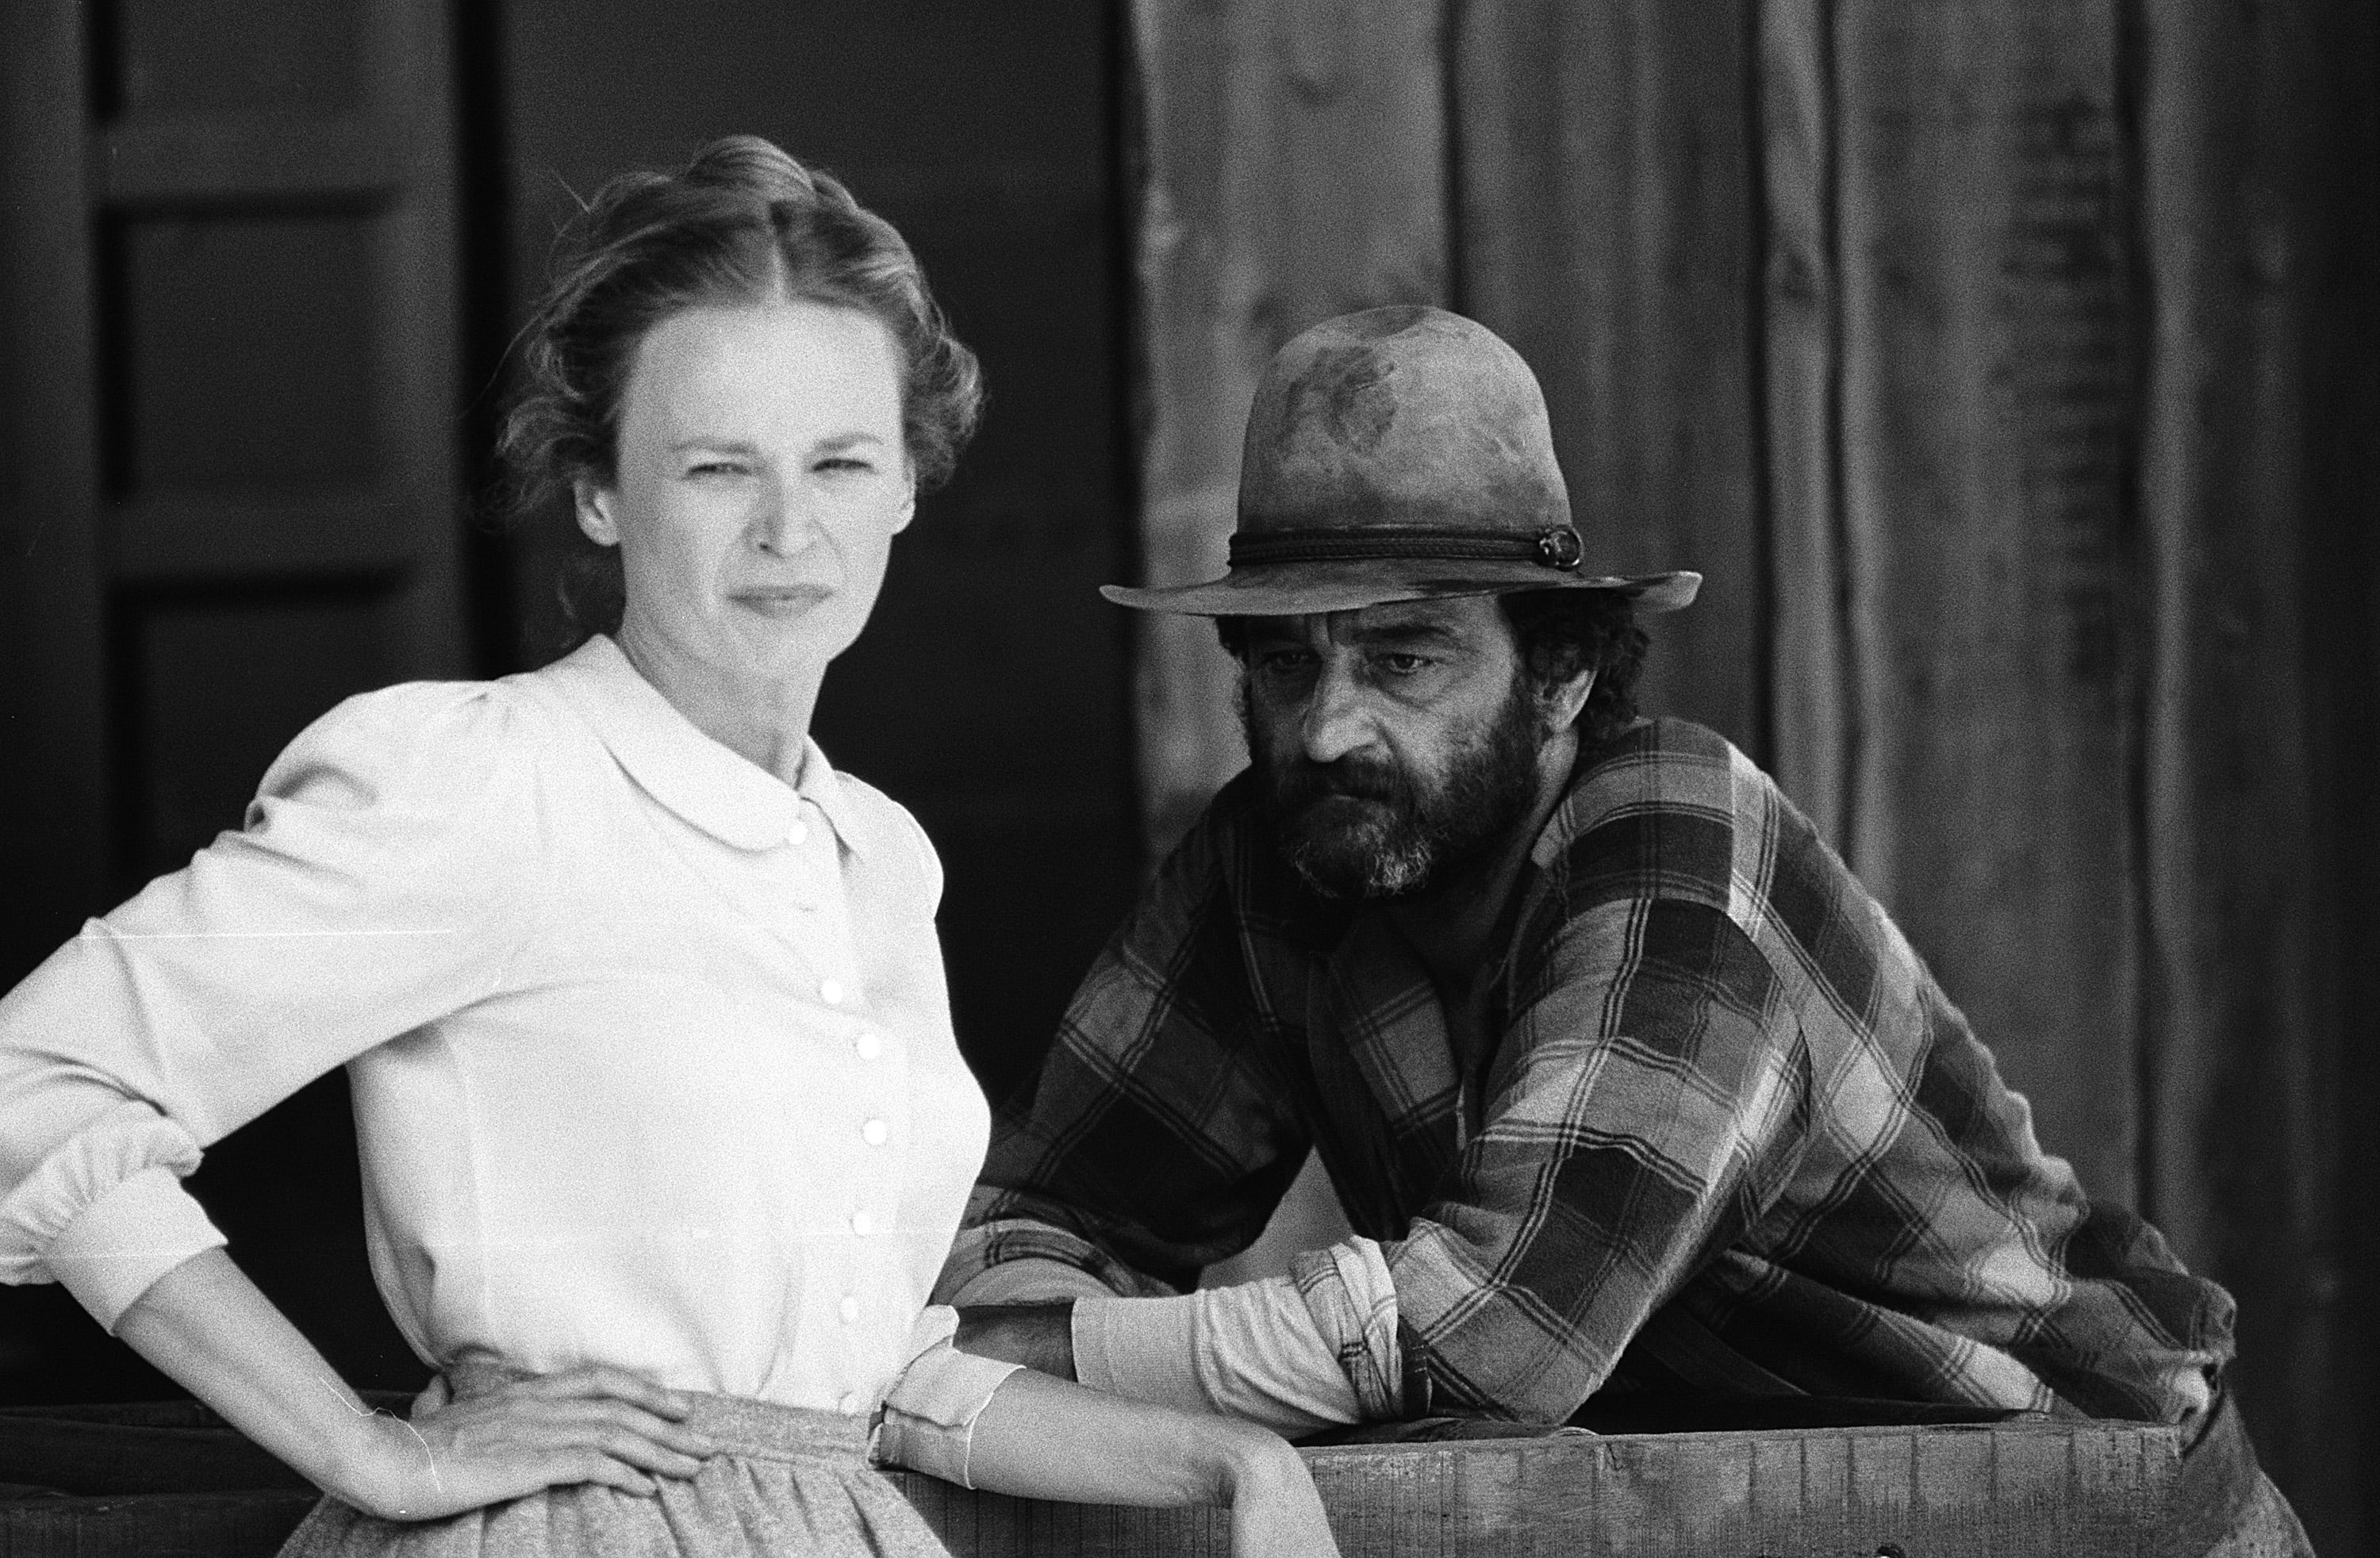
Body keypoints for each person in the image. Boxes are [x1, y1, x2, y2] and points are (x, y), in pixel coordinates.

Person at [0, 137, 1338, 1557]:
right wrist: (370, 1450)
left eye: (841, 464)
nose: (788, 531)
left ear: (906, 485)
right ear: (598, 491)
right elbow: (34, 1089)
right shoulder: (486, 785)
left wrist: (1239, 1464)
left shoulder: (874, 856)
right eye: (716, 468)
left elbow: (862, 1384)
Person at [937, 306, 2311, 1552]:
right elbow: (1029, 1229)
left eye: (1404, 658)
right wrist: (1015, 1346)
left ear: (1562, 672)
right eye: (1287, 663)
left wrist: (1034, 1363)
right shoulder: (1281, 855)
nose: (1328, 727)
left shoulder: (1677, 847)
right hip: (1779, 1523)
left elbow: (1496, 1336)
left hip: (2099, 1514)